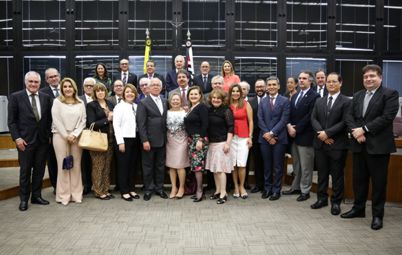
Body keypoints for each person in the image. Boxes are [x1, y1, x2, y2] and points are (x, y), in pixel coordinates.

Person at [342, 64, 399, 230]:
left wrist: (364, 130)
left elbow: (387, 117)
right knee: (359, 181)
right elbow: (349, 116)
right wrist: (356, 132)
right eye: (366, 77)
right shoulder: (358, 95)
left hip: (379, 147)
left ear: (380, 77)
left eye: (372, 76)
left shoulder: (390, 94)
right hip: (359, 145)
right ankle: (358, 209)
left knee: (378, 183)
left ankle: (377, 216)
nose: (368, 79)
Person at [8, 71, 52, 211]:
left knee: (39, 170)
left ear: (40, 83)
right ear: (25, 82)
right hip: (24, 142)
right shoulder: (16, 97)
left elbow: (49, 119)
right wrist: (17, 138)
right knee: (25, 171)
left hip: (42, 141)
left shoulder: (46, 97)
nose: (33, 84)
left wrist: (49, 136)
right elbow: (12, 121)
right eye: (31, 82)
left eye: (36, 82)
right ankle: (24, 199)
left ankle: (36, 196)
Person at [310, 72, 351, 215]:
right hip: (320, 144)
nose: (331, 84)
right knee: (322, 174)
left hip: (337, 145)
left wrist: (327, 133)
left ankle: (336, 202)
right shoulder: (319, 101)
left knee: (337, 176)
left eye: (334, 81)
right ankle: (321, 199)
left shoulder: (346, 101)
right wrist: (322, 134)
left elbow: (345, 122)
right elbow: (313, 118)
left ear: (341, 83)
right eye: (328, 81)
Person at [284, 71, 319, 201]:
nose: (301, 80)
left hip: (305, 136)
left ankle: (305, 190)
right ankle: (296, 187)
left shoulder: (315, 96)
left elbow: (310, 116)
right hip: (293, 136)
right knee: (296, 165)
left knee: (306, 166)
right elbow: (289, 114)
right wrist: (288, 126)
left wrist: (296, 129)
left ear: (310, 81)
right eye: (299, 78)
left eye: (304, 78)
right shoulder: (294, 96)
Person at [51, 77, 86, 206]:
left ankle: (76, 194)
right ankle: (64, 195)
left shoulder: (80, 103)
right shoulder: (57, 102)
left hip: (76, 137)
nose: (67, 89)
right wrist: (66, 136)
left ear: (74, 88)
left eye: (70, 86)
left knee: (76, 166)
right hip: (60, 137)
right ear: (61, 89)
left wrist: (75, 134)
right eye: (65, 87)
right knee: (64, 166)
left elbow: (83, 121)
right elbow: (56, 120)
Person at [137, 78, 169, 201]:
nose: (156, 87)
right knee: (148, 166)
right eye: (153, 85)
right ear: (149, 88)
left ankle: (159, 188)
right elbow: (141, 124)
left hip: (162, 140)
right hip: (149, 141)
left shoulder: (165, 101)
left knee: (160, 166)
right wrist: (144, 140)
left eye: (158, 85)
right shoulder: (143, 103)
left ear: (161, 88)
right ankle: (148, 189)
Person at [258, 76, 290, 200]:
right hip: (264, 139)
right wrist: (267, 134)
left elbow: (284, 119)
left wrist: (272, 133)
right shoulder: (263, 101)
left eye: (273, 85)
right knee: (266, 165)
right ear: (266, 87)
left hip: (279, 139)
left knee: (277, 166)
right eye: (269, 85)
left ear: (278, 86)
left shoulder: (285, 101)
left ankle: (276, 190)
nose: (271, 87)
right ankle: (267, 189)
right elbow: (260, 119)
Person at [86, 83, 115, 200]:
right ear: (95, 93)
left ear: (106, 92)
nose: (100, 93)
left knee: (107, 166)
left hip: (111, 140)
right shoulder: (91, 105)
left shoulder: (111, 104)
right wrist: (107, 119)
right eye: (98, 91)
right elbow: (91, 123)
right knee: (98, 166)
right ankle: (98, 191)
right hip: (98, 140)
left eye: (102, 90)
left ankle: (105, 189)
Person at [113, 84, 141, 201]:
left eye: (132, 92)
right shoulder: (119, 107)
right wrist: (120, 142)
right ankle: (124, 191)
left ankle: (131, 188)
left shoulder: (136, 106)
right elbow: (116, 125)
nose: (130, 94)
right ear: (124, 94)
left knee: (132, 166)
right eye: (127, 92)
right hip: (124, 140)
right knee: (123, 166)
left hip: (135, 139)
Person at [206, 89, 234, 204]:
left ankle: (223, 193)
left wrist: (228, 143)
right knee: (215, 170)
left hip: (222, 143)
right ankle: (217, 191)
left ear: (222, 100)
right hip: (212, 144)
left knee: (221, 169)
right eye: (214, 98)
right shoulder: (209, 110)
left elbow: (231, 127)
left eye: (218, 98)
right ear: (211, 99)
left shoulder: (226, 111)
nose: (216, 100)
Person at [184, 86, 209, 202]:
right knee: (195, 166)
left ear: (200, 96)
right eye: (191, 94)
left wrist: (201, 140)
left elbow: (205, 124)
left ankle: (199, 191)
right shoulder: (191, 108)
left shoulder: (202, 107)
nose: (193, 96)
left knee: (198, 167)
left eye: (195, 94)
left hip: (198, 139)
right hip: (191, 140)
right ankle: (198, 190)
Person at [228, 84, 253, 199]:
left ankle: (242, 186)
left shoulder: (246, 104)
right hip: (231, 137)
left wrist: (250, 137)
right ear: (230, 92)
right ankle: (236, 187)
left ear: (241, 93)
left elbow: (251, 121)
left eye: (238, 91)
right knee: (234, 164)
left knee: (242, 163)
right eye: (233, 91)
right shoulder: (227, 105)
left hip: (243, 137)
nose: (235, 93)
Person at [39, 67, 61, 192]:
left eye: (55, 76)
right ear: (47, 80)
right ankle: (56, 186)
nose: (53, 78)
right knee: (52, 160)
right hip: (51, 133)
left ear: (59, 76)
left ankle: (66, 184)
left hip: (67, 132)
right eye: (50, 77)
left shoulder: (66, 89)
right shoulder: (42, 93)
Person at [166, 93, 189, 199]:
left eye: (177, 100)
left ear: (181, 101)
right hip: (170, 141)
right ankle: (174, 187)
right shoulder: (166, 113)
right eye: (173, 100)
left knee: (180, 166)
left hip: (182, 141)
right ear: (170, 101)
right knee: (171, 166)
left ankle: (181, 187)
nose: (175, 101)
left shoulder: (185, 112)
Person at [249, 79, 267, 194]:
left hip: (268, 135)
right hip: (255, 136)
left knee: (267, 161)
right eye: (257, 87)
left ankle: (267, 185)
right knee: (257, 161)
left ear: (265, 87)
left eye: (261, 86)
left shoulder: (270, 100)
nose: (259, 89)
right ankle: (258, 184)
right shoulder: (251, 102)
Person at [79, 77, 96, 195]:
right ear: (83, 87)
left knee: (96, 161)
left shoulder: (100, 98)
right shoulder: (78, 100)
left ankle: (97, 184)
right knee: (84, 161)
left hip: (98, 135)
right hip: (83, 134)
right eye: (87, 85)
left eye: (91, 85)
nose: (89, 87)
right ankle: (86, 185)